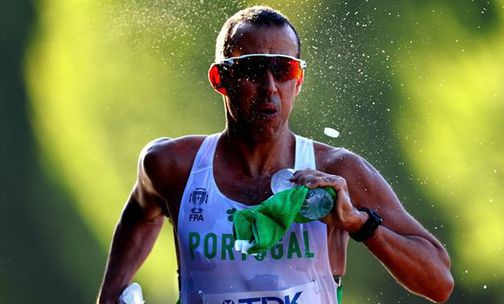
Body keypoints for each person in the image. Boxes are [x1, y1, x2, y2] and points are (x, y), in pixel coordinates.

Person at [97, 6, 453, 304]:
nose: (270, 87)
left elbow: (438, 283)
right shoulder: (173, 166)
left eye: (283, 70)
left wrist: (360, 223)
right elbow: (142, 215)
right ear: (221, 79)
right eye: (252, 69)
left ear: (298, 82)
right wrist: (111, 293)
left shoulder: (336, 171)